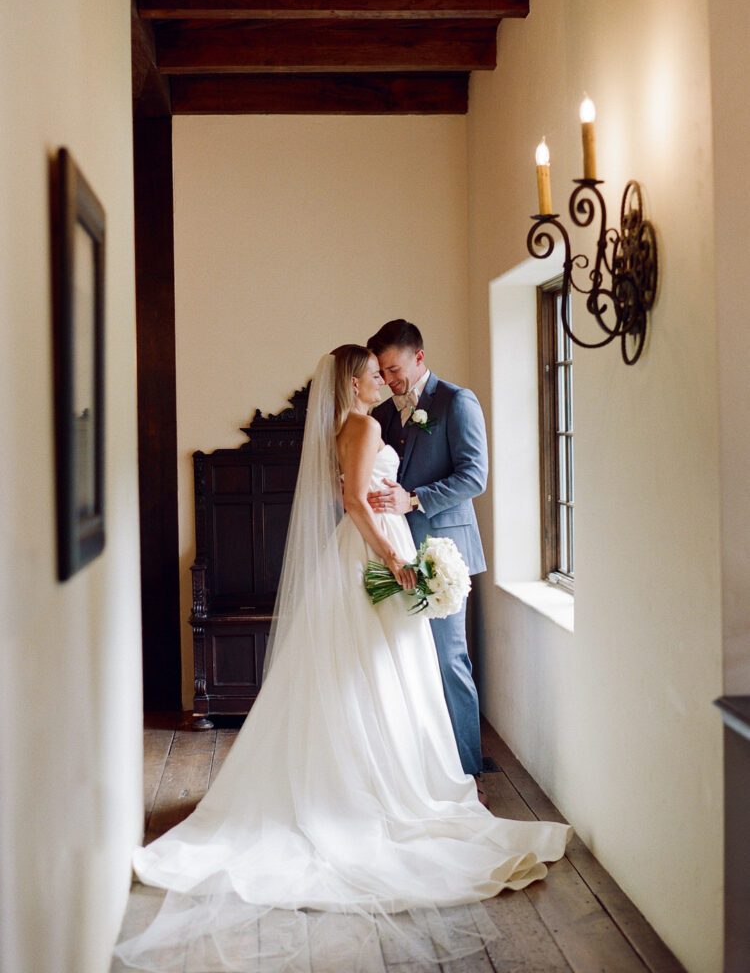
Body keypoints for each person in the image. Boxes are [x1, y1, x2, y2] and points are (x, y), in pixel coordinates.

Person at [113, 346, 571, 973]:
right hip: (371, 555)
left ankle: (380, 776)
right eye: (372, 373)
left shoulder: (354, 425)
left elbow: (361, 495)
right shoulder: (363, 425)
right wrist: (399, 562)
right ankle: (370, 790)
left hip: (374, 548)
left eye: (388, 372)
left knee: (379, 677)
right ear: (353, 381)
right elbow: (356, 503)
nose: (382, 379)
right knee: (375, 675)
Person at [366, 320, 487, 792]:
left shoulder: (457, 401)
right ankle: (419, 768)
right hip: (394, 551)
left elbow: (474, 476)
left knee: (448, 659)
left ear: (419, 357)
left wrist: (413, 499)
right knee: (405, 662)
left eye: (394, 369)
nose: (390, 379)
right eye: (382, 371)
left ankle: (468, 769)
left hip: (443, 552)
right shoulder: (382, 414)